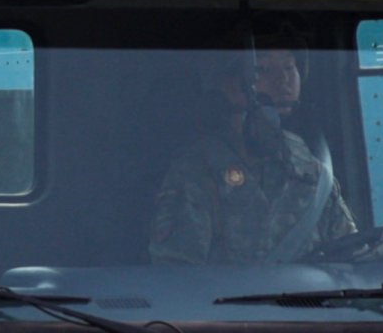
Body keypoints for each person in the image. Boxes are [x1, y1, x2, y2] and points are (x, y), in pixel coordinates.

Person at [148, 41, 358, 264]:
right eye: (263, 70)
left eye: (289, 67)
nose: (283, 80)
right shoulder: (197, 169)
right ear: (224, 84)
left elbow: (351, 251)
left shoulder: (309, 165)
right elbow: (176, 277)